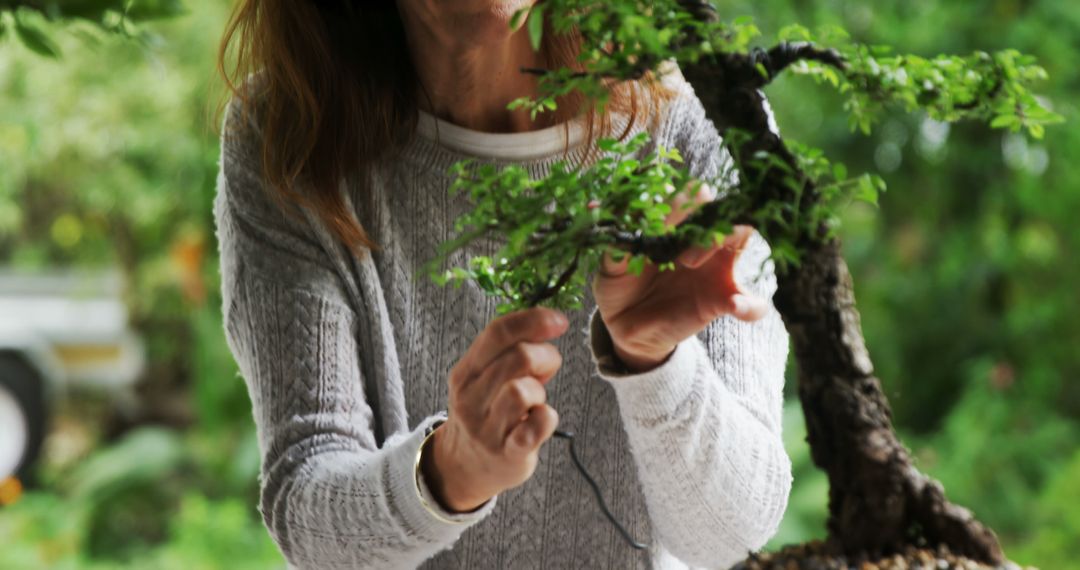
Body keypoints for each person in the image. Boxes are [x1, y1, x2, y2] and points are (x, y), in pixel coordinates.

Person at [213, 1, 792, 568]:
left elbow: (733, 533)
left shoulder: (702, 119)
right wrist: (448, 472)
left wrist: (654, 362)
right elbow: (308, 509)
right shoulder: (292, 138)